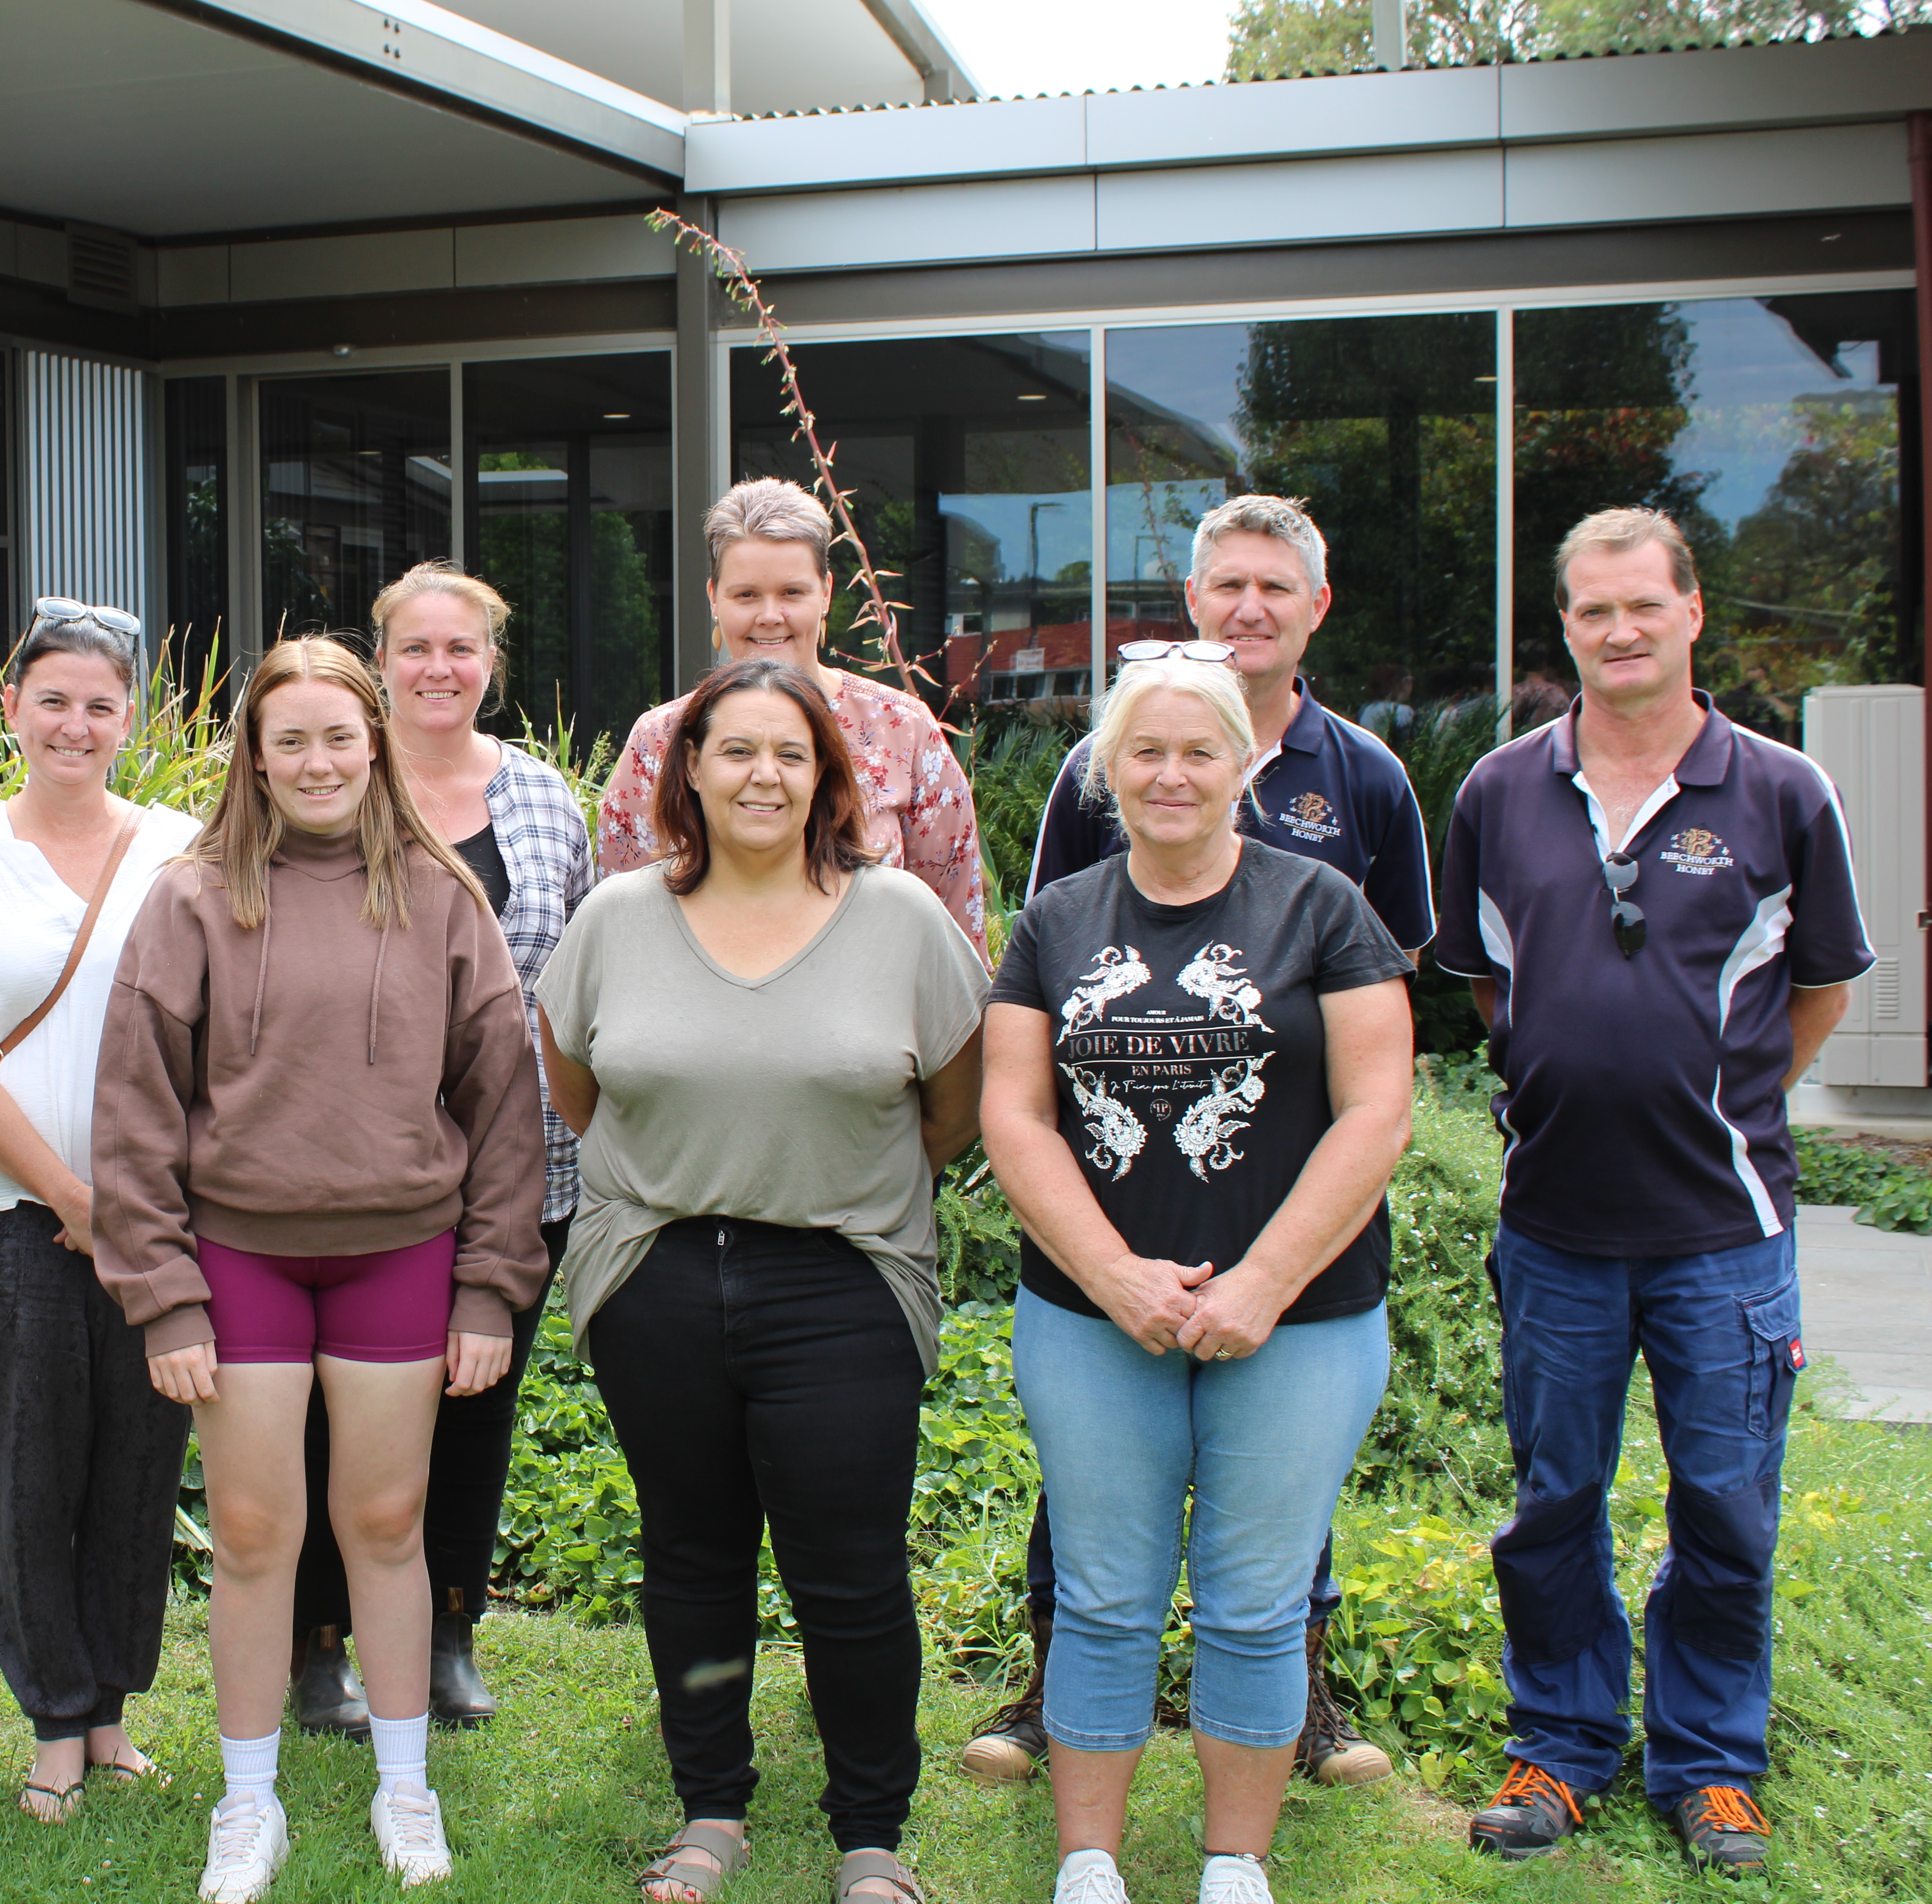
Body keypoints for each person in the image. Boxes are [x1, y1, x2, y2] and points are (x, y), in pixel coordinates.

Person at [973, 494, 1430, 1791]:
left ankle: (1297, 1714)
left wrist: (1270, 1275)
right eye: (1227, 583)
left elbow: (1374, 1067)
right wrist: (1110, 1268)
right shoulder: (1073, 878)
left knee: (1265, 1567)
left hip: (1288, 1273)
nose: (1249, 605)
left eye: (1274, 586)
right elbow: (1029, 1065)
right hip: (1101, 1275)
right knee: (1103, 1553)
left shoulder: (1358, 808)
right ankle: (1063, 1700)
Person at [1438, 510, 1869, 1879]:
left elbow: (1822, 991)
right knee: (1554, 1496)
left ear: (1692, 612)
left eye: (1642, 606)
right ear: (1564, 631)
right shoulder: (1499, 792)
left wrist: (1710, 1105)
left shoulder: (1782, 790)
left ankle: (1710, 1765)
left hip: (1722, 1238)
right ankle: (1559, 1748)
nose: (1618, 631)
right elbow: (1490, 987)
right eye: (1591, 612)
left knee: (1727, 1503)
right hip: (1554, 1229)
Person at [91, 638, 548, 1903]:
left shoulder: (443, 898)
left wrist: (487, 1284)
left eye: (339, 736)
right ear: (255, 755)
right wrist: (165, 1290)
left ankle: (406, 1783)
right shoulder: (191, 901)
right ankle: (249, 1804)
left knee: (387, 1522)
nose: (317, 760)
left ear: (377, 744)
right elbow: (134, 1111)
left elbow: (503, 1105)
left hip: (399, 1253)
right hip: (242, 1256)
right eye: (288, 739)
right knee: (250, 1530)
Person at [539, 656, 985, 1904]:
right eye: (734, 749)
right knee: (691, 1554)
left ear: (829, 779)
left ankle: (871, 1835)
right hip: (659, 1275)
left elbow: (953, 1102)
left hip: (841, 1278)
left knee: (850, 1567)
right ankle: (711, 1811)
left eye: (791, 754)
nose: (763, 774)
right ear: (687, 769)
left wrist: (828, 1170)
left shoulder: (900, 921)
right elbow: (576, 1079)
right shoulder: (618, 920)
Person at [0, 599, 201, 1823]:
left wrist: (132, 1204)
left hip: (156, 1215)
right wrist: (74, 1196)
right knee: (32, 1469)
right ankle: (53, 1724)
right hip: (0, 1216)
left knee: (139, 1465)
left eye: (101, 703)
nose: (76, 722)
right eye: (53, 699)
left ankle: (114, 1710)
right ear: (13, 709)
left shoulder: (185, 848)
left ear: (130, 719)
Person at [287, 561, 596, 1738]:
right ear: (381, 660)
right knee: (327, 1411)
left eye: (460, 649)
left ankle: (450, 1631)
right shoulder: (332, 783)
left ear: (491, 663)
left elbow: (578, 974)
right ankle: (321, 1651)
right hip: (348, 1168)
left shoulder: (540, 799)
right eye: (414, 648)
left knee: (476, 1404)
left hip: (523, 1169)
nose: (437, 669)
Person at [597, 477, 985, 960]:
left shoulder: (902, 730)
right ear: (713, 597)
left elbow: (953, 927)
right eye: (746, 596)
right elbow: (619, 926)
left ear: (825, 593)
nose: (770, 616)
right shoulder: (661, 741)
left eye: (791, 593)